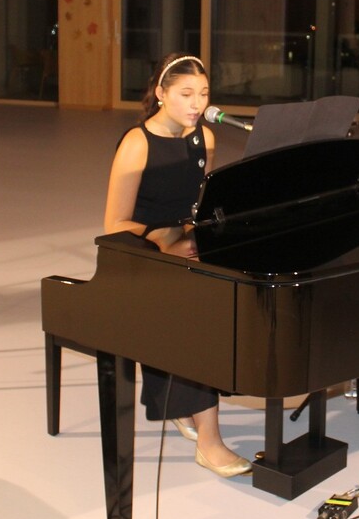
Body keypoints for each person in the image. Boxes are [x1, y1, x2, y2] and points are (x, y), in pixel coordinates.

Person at [103, 53, 252, 478]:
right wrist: (165, 241)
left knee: (234, 284)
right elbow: (114, 223)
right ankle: (209, 441)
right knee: (192, 312)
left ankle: (183, 402)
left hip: (180, 246)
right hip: (138, 251)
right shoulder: (138, 143)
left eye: (203, 94)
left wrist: (196, 236)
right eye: (186, 94)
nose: (197, 103)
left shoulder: (204, 137)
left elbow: (195, 208)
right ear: (160, 93)